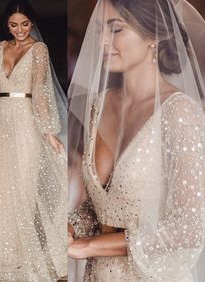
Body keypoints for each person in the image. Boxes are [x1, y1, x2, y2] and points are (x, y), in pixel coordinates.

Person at [68, 0, 205, 281]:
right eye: (99, 31)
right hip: (98, 274)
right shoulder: (98, 105)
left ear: (154, 35)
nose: (103, 41)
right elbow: (100, 209)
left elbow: (191, 226)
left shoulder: (180, 112)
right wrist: (70, 229)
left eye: (116, 29)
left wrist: (92, 245)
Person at [0, 0, 67, 280]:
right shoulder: (0, 48)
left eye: (25, 23)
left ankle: (18, 250)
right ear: (6, 25)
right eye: (14, 24)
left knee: (22, 185)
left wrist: (48, 132)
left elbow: (40, 90)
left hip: (26, 122)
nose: (20, 29)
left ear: (32, 22)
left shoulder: (39, 50)